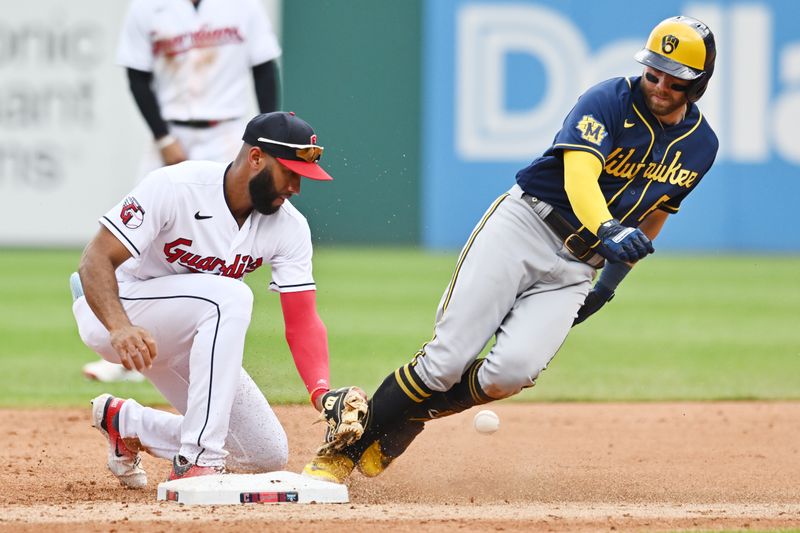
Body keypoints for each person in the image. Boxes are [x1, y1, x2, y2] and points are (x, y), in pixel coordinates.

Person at [302, 16, 719, 483]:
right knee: (446, 361)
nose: (659, 84)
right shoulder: (607, 100)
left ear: (698, 83)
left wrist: (607, 285)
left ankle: (408, 417)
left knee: (511, 373)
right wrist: (604, 225)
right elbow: (578, 175)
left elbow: (652, 217)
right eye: (654, 71)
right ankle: (341, 453)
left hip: (579, 266)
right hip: (525, 226)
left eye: (674, 77)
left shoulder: (702, 146)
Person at [73, 111, 338, 487]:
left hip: (189, 332)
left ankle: (126, 422)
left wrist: (321, 392)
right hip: (118, 309)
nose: (296, 187)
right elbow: (95, 258)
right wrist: (118, 326)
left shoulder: (289, 227)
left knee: (264, 452)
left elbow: (302, 321)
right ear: (256, 158)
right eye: (290, 172)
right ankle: (199, 460)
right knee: (229, 296)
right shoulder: (177, 185)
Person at [83, 0, 282, 383]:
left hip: (229, 133)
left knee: (224, 241)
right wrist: (163, 136)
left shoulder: (243, 7)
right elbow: (137, 76)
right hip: (171, 130)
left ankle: (210, 342)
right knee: (133, 238)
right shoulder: (148, 7)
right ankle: (123, 347)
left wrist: (267, 138)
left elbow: (264, 70)